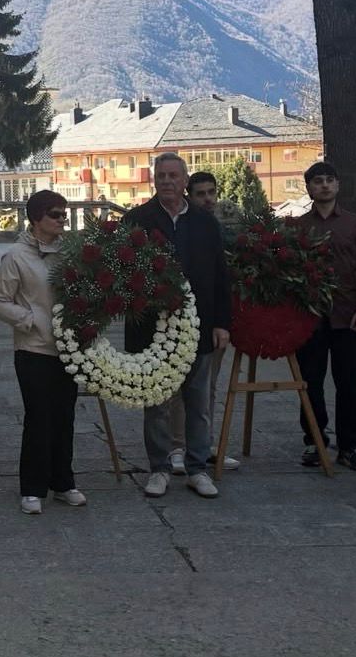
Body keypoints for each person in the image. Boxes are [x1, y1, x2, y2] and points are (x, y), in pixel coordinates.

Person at [125, 153, 232, 500]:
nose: (167, 181)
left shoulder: (204, 222)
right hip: (152, 331)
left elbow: (220, 277)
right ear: (153, 180)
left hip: (199, 328)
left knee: (198, 403)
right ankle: (159, 468)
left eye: (173, 175)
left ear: (185, 181)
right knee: (156, 403)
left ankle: (198, 468)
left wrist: (221, 324)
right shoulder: (137, 220)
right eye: (161, 175)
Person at [0, 190, 86, 515]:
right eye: (55, 214)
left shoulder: (70, 252)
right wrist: (30, 320)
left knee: (65, 417)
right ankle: (32, 488)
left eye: (64, 214)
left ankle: (63, 482)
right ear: (36, 218)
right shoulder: (16, 256)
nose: (62, 219)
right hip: (33, 349)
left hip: (67, 349)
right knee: (39, 417)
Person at [291, 162, 356, 472]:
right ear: (309, 188)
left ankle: (351, 446)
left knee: (349, 383)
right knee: (310, 382)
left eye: (329, 180)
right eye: (317, 181)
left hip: (348, 314)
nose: (324, 186)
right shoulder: (298, 228)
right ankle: (314, 440)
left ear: (338, 186)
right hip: (311, 317)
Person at [167, 170, 240, 475]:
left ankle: (203, 443)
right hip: (179, 318)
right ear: (188, 194)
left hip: (214, 318)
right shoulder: (184, 226)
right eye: (201, 194)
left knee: (208, 386)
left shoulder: (227, 226)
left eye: (212, 192)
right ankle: (176, 446)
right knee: (176, 388)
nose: (208, 199)